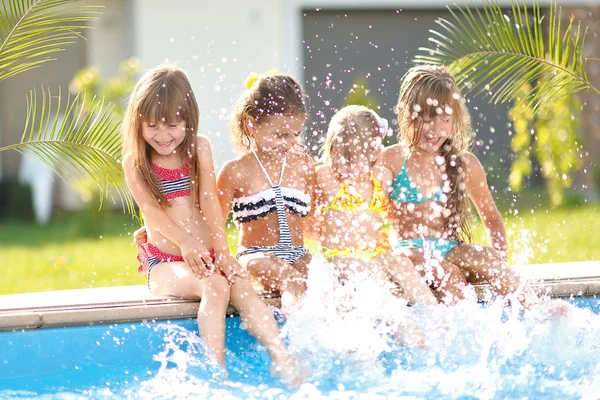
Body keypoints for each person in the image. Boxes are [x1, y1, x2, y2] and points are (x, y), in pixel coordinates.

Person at [122, 65, 301, 384]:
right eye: (152, 126)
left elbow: (208, 202)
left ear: (188, 120)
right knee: (215, 285)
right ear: (138, 123)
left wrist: (223, 252)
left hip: (206, 255)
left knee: (241, 284)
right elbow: (153, 212)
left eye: (173, 125)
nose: (163, 136)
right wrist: (187, 244)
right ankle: (216, 375)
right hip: (166, 264)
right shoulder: (136, 164)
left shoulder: (198, 148)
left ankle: (282, 360)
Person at [376, 64, 541, 308]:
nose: (435, 129)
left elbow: (492, 221)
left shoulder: (465, 164)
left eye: (444, 119)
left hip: (450, 249)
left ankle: (535, 307)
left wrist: (499, 266)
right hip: (407, 253)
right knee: (450, 275)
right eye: (426, 119)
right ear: (407, 114)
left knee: (486, 257)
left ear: (455, 119)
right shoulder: (392, 160)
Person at [312, 105, 437, 306]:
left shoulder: (379, 179)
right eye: (337, 155)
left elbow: (405, 161)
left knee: (402, 264)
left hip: (375, 255)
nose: (343, 165)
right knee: (378, 290)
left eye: (351, 158)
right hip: (339, 258)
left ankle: (434, 316)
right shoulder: (328, 179)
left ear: (373, 152)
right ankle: (390, 312)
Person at [216, 71, 316, 317]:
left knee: (331, 281)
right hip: (256, 256)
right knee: (293, 281)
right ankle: (297, 337)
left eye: (295, 134)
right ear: (252, 124)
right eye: (280, 135)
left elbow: (314, 222)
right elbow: (213, 225)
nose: (289, 143)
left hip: (298, 253)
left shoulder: (303, 166)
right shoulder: (235, 171)